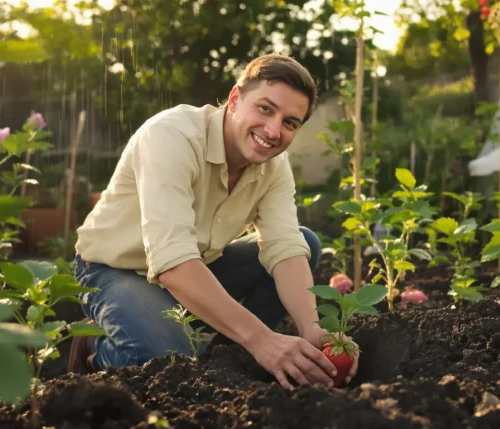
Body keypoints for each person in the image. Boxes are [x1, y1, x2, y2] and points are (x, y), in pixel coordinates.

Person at [68, 54, 358, 389]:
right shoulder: (171, 137)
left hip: (196, 267)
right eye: (265, 109)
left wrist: (312, 329)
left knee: (304, 242)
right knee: (172, 360)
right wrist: (262, 339)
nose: (274, 130)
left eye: (290, 122)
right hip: (112, 270)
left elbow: (285, 249)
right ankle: (94, 351)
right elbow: (172, 262)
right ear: (235, 99)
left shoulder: (274, 168)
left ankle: (226, 361)